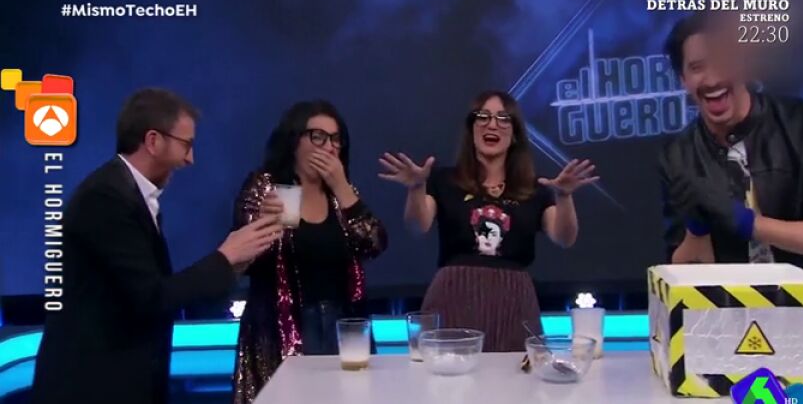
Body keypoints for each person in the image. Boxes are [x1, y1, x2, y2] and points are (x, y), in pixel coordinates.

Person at [31, 88, 282, 404]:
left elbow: (159, 293)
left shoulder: (129, 194)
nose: (190, 159)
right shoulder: (105, 198)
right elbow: (151, 297)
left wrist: (238, 259)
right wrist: (225, 255)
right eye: (186, 145)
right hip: (93, 387)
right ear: (153, 141)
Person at [658, 13, 803, 348]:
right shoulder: (678, 155)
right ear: (683, 80)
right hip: (732, 333)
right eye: (697, 67)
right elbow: (684, 273)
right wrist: (696, 228)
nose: (713, 78)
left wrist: (748, 223)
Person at [378, 90, 597, 352]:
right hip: (454, 296)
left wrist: (564, 196)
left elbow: (564, 238)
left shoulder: (534, 189)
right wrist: (416, 188)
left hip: (515, 302)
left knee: (516, 375)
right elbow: (417, 225)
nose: (492, 124)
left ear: (514, 134)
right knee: (449, 374)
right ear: (471, 129)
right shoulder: (445, 180)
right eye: (483, 117)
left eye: (503, 118)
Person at [232, 100, 387, 403]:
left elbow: (374, 244)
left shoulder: (341, 195)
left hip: (342, 326)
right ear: (294, 141)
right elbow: (242, 261)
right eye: (318, 137)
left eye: (336, 139)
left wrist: (342, 187)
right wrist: (263, 223)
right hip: (282, 325)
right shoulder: (266, 186)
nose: (329, 146)